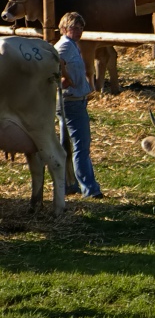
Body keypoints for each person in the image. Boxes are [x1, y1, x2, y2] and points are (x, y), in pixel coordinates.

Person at [56, 12, 103, 199]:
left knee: (66, 146)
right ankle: (90, 189)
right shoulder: (63, 47)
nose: (78, 32)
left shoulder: (72, 46)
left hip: (73, 101)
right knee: (81, 146)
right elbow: (52, 66)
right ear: (64, 28)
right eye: (74, 28)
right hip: (71, 102)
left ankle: (67, 185)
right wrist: (63, 80)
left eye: (81, 28)